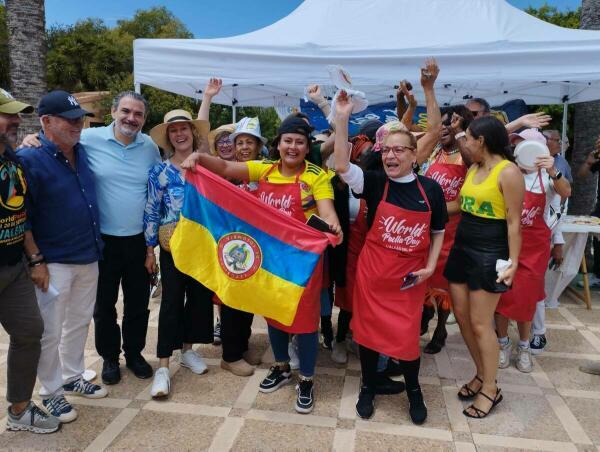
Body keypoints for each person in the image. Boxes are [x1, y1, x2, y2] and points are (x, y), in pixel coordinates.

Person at [182, 116, 341, 414]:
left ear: (307, 148)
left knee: (305, 324)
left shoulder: (317, 176)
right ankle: (281, 366)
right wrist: (199, 158)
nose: (292, 147)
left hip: (302, 264)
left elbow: (327, 211)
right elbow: (227, 168)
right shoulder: (264, 168)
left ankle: (306, 378)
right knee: (273, 315)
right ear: (278, 144)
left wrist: (333, 226)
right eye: (287, 141)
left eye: (299, 142)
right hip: (269, 261)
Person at [20, 91, 162, 385]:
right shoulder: (89, 137)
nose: (131, 119)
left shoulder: (148, 145)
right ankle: (109, 357)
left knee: (138, 303)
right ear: (113, 111)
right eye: (125, 111)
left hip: (137, 241)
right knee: (104, 305)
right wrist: (31, 138)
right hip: (101, 241)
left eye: (138, 114)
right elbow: (55, 139)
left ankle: (134, 354)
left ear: (144, 119)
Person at [334, 59, 448, 425]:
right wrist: (340, 118)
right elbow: (339, 165)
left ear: (415, 155)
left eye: (400, 150)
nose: (391, 155)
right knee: (367, 336)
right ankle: (369, 386)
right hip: (372, 275)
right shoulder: (374, 181)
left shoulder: (430, 190)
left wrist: (430, 266)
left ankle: (414, 391)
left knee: (405, 341)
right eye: (387, 151)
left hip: (408, 280)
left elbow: (438, 232)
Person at [18, 90, 107, 423]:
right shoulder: (29, 158)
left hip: (88, 253)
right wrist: (36, 260)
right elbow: (20, 214)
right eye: (69, 120)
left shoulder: (83, 150)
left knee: (79, 322)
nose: (77, 125)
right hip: (53, 260)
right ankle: (51, 392)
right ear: (46, 122)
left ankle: (72, 376)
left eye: (79, 119)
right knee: (50, 331)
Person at [444, 115, 524, 418]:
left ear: (482, 141)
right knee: (463, 318)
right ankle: (481, 374)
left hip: (491, 252)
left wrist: (514, 262)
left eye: (468, 138)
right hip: (462, 248)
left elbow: (515, 222)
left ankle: (491, 388)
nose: (464, 143)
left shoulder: (509, 173)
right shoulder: (474, 168)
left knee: (481, 323)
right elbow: (463, 206)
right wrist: (425, 208)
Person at [0, 90, 60, 434]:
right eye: (7, 115)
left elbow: (20, 214)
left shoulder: (14, 158)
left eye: (16, 115)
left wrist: (35, 258)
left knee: (30, 332)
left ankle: (20, 409)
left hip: (14, 267)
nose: (15, 121)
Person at [144, 110, 214, 398]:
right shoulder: (159, 172)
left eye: (184, 128)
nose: (180, 134)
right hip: (171, 246)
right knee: (172, 301)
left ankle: (187, 351)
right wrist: (149, 250)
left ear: (193, 132)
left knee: (198, 299)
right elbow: (151, 212)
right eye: (174, 131)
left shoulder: (205, 168)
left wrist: (207, 98)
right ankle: (163, 365)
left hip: (202, 245)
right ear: (168, 137)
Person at [495, 130, 570, 373]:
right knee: (503, 296)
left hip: (534, 249)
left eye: (522, 144)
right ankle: (503, 343)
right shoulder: (507, 173)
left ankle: (524, 346)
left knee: (526, 299)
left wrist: (552, 169)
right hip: (506, 244)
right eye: (516, 144)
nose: (518, 148)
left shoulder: (547, 179)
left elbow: (566, 191)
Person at [419, 105, 473, 354]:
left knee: (444, 284)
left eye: (450, 124)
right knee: (426, 279)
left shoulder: (467, 156)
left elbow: (464, 198)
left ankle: (440, 330)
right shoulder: (435, 154)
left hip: (453, 231)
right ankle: (426, 315)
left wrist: (460, 133)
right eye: (441, 124)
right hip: (428, 230)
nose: (444, 129)